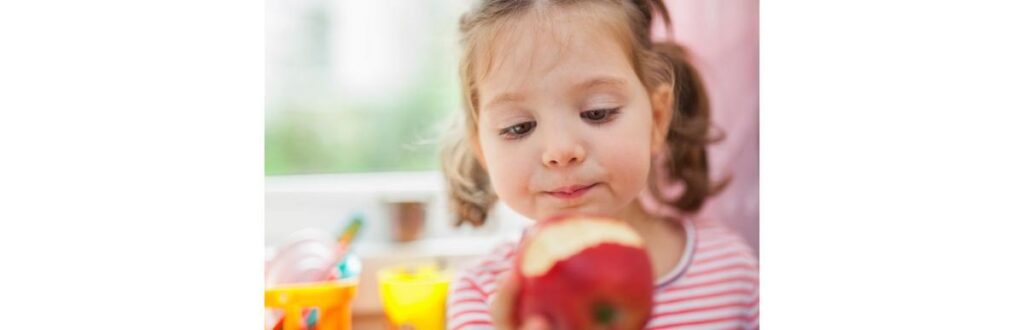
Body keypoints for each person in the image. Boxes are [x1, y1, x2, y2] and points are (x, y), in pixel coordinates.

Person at [440, 0, 758, 328]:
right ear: (482, 150)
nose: (560, 151)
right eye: (518, 127)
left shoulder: (731, 270)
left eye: (597, 112)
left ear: (656, 119)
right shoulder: (483, 297)